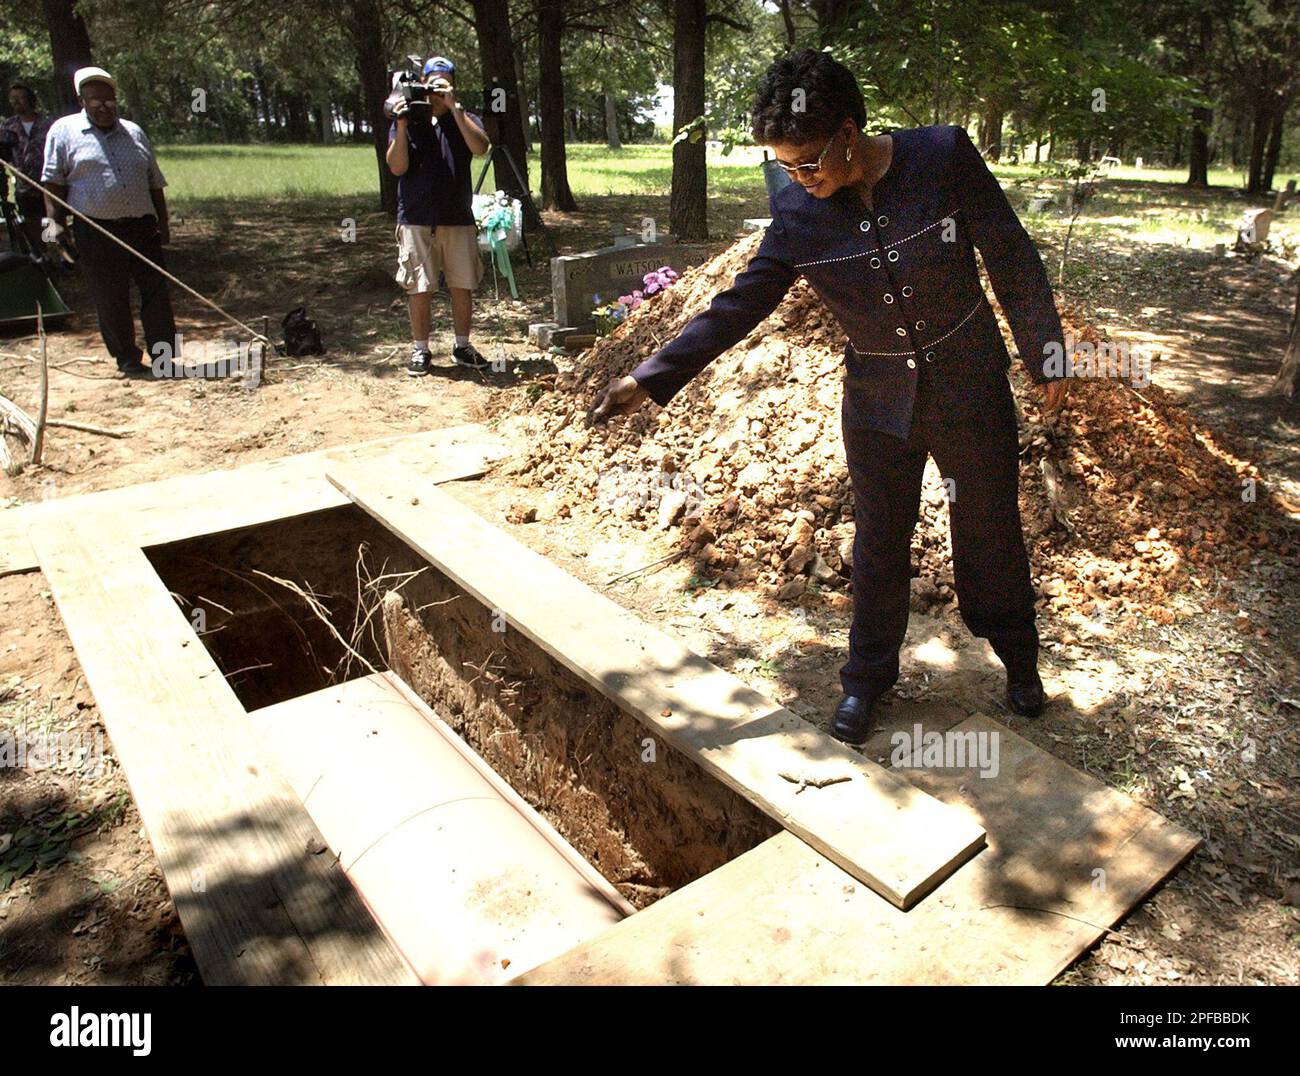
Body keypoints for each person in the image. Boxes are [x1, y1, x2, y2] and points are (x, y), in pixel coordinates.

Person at [592, 49, 1070, 744]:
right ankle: (867, 681)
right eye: (784, 166)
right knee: (878, 541)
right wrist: (652, 376)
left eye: (809, 161)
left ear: (850, 132)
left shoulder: (941, 157)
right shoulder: (795, 208)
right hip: (878, 405)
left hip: (969, 385)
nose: (800, 180)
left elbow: (1009, 249)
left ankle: (1019, 661)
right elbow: (742, 302)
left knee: (989, 528)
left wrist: (1044, 348)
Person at [41, 67, 176, 379]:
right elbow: (53, 184)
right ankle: (127, 358)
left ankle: (165, 358)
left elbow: (154, 182)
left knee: (156, 292)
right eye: (96, 102)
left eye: (110, 101)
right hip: (96, 228)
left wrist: (163, 222)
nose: (104, 107)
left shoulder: (134, 132)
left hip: (143, 226)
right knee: (110, 296)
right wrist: (54, 227)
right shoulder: (64, 132)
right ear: (82, 101)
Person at [385, 54, 490, 376]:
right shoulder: (410, 119)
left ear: (454, 83)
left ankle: (462, 345)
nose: (438, 88)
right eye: (433, 82)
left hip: (457, 217)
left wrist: (454, 107)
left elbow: (480, 147)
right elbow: (397, 166)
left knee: (462, 285)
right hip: (416, 218)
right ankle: (420, 349)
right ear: (423, 83)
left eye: (445, 81)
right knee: (419, 286)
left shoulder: (464, 117)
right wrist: (402, 125)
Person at [1, 85, 54, 252]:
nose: (16, 102)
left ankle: (56, 253)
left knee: (50, 221)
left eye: (20, 97)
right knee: (31, 222)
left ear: (30, 99)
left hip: (48, 184)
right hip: (24, 187)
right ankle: (41, 255)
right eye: (12, 98)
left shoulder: (47, 124)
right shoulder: (8, 126)